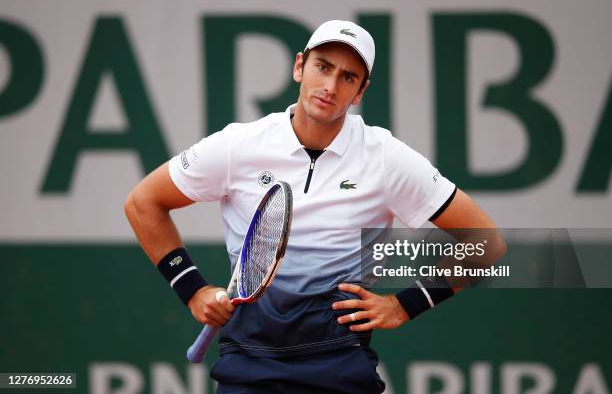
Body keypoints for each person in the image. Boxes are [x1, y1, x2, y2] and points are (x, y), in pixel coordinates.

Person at [125, 20, 506, 393]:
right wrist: (191, 288)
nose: (330, 86)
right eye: (322, 67)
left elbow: (486, 241)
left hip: (338, 366)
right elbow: (144, 202)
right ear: (299, 67)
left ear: (360, 92)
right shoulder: (238, 145)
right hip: (247, 365)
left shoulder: (386, 158)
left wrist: (406, 304)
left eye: (348, 77)